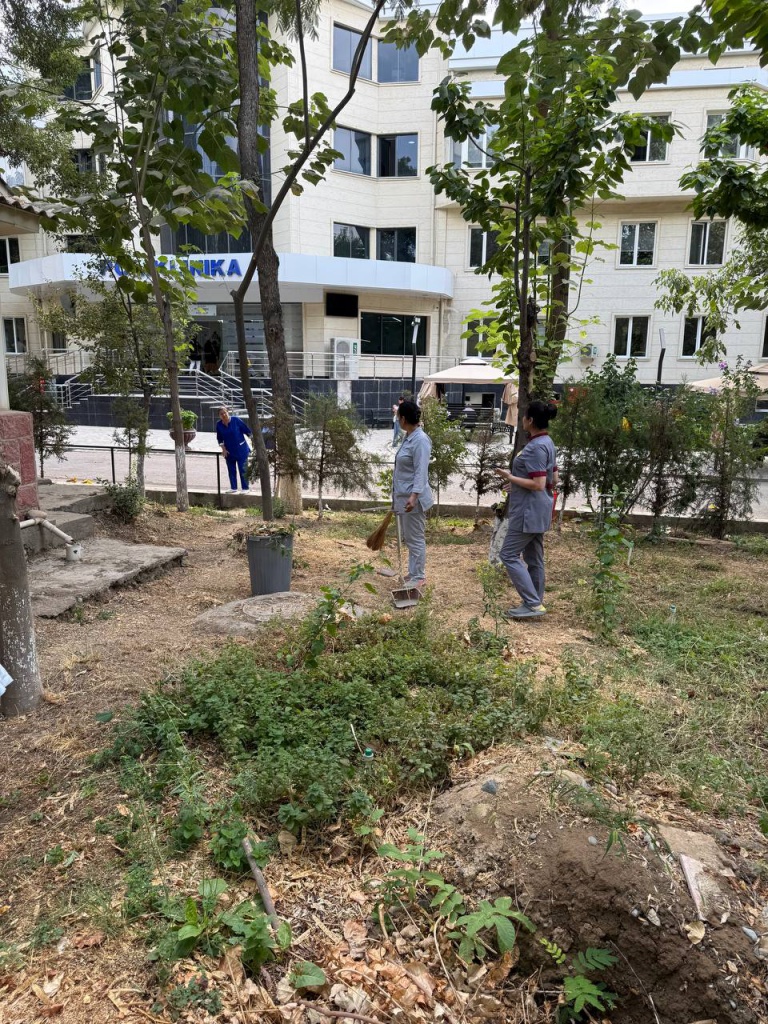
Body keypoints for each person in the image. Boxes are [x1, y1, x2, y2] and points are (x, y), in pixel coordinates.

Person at [494, 400, 558, 619]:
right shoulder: (547, 442)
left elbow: (539, 484)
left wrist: (510, 477)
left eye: (524, 416)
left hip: (528, 511)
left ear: (530, 420)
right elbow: (553, 478)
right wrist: (518, 484)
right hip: (539, 508)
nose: (522, 419)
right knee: (534, 557)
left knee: (508, 554)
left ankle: (532, 604)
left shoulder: (535, 447)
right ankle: (534, 602)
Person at [392, 399, 433, 589]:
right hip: (404, 497)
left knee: (415, 537)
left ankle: (419, 576)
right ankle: (413, 572)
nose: (397, 420)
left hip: (413, 499)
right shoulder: (409, 437)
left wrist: (414, 496)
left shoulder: (420, 440)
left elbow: (421, 472)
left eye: (398, 416)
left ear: (403, 418)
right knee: (409, 537)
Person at [216, 406, 252, 493]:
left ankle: (245, 488)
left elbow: (247, 431)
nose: (224, 415)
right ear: (219, 416)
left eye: (225, 412)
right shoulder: (219, 424)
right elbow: (219, 438)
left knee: (243, 469)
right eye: (221, 414)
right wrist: (223, 449)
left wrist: (254, 442)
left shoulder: (236, 420)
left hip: (241, 450)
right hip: (229, 451)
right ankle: (233, 488)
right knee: (231, 470)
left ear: (228, 412)